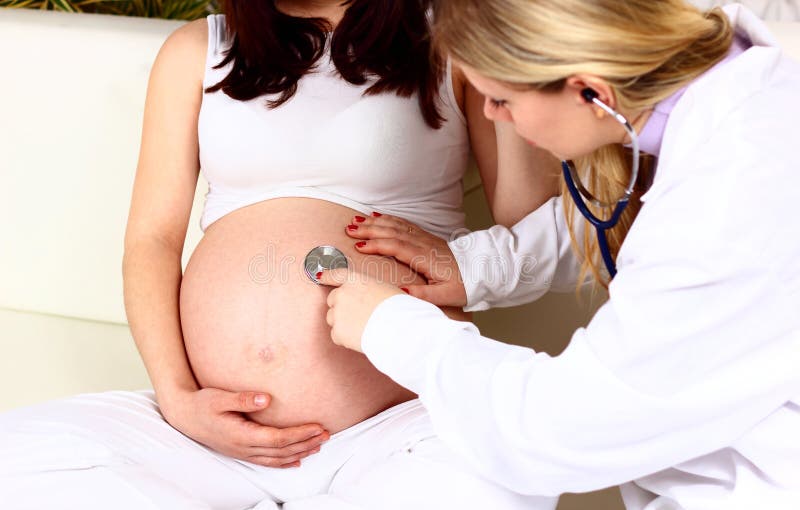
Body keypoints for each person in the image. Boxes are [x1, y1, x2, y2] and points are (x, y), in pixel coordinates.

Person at [0, 0, 560, 509]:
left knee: (505, 481)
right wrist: (178, 400)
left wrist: (464, 269)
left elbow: (539, 240)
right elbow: (152, 241)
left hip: (401, 422)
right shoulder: (200, 49)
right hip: (205, 441)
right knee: (17, 464)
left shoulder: (455, 40)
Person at [319, 1, 800, 509]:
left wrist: (394, 329)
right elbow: (629, 219)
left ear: (590, 90)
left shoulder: (737, 192)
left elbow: (563, 429)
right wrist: (481, 266)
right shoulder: (720, 96)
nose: (490, 115)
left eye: (501, 98)